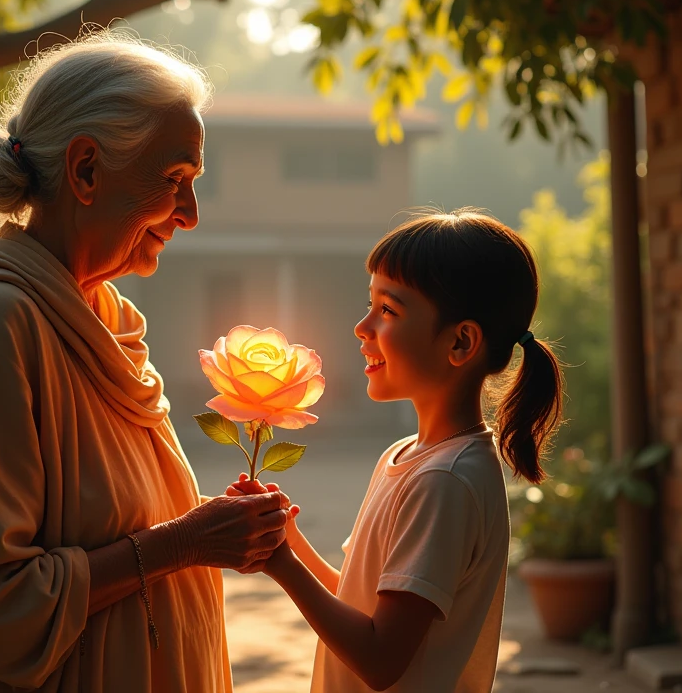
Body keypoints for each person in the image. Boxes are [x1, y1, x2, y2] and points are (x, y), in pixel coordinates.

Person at [0, 31, 293, 693]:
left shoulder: (106, 318)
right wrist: (183, 545)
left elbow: (98, 523)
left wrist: (215, 525)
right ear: (87, 169)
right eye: (175, 180)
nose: (192, 215)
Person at [231, 208, 566, 692]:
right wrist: (288, 542)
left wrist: (280, 565)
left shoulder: (445, 480)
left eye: (388, 310)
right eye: (371, 304)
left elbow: (381, 658)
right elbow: (361, 605)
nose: (362, 327)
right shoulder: (407, 456)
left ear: (461, 341)